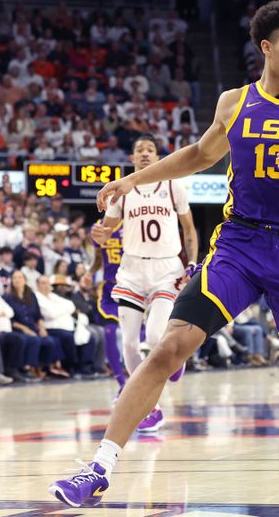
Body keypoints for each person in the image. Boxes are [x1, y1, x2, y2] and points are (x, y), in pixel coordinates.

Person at [51, 0, 279, 507]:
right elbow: (199, 155)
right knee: (168, 348)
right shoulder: (233, 102)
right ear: (266, 48)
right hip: (238, 244)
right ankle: (98, 467)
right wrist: (131, 179)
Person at [90, 134, 199, 431]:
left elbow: (189, 230)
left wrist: (191, 261)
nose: (145, 154)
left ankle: (176, 359)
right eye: (139, 150)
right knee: (128, 343)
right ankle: (151, 407)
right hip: (132, 270)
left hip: (166, 269)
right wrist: (98, 234)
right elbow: (105, 230)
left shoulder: (172, 185)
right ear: (132, 159)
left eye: (150, 149)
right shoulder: (122, 190)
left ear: (158, 155)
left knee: (154, 338)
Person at [89, 220, 125, 392]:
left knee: (142, 335)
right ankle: (121, 383)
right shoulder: (98, 226)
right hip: (110, 288)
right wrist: (88, 273)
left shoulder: (133, 220)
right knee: (109, 332)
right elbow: (98, 260)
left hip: (134, 287)